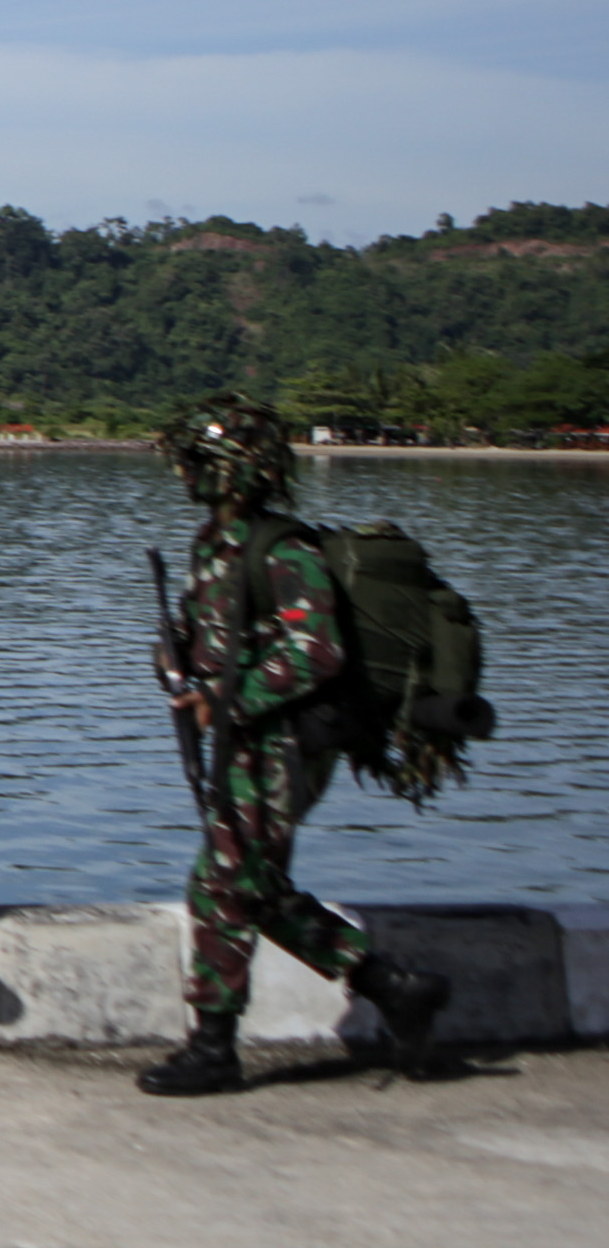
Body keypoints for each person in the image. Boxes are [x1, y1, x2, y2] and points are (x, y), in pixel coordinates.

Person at [139, 395, 450, 1097]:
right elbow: (199, 635)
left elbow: (318, 651)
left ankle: (214, 1047)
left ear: (236, 469)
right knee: (248, 885)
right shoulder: (210, 546)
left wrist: (228, 699)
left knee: (222, 884)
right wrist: (174, 662)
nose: (187, 472)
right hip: (236, 742)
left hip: (280, 745)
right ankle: (396, 986)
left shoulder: (283, 547)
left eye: (200, 461)